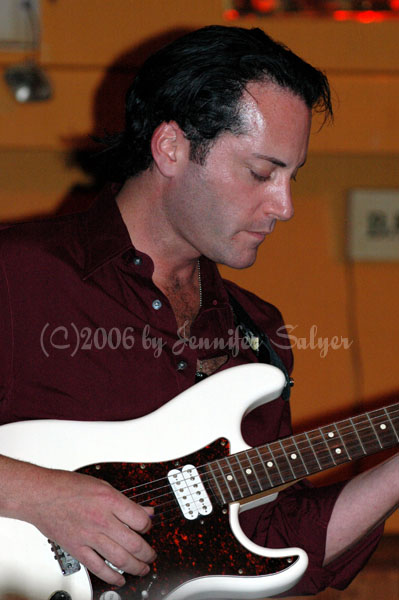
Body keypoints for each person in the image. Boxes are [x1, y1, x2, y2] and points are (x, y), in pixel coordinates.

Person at [0, 25, 397, 597]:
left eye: (293, 177)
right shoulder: (20, 276)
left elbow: (276, 536)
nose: (284, 206)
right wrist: (37, 495)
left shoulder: (255, 333)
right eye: (262, 173)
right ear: (171, 148)